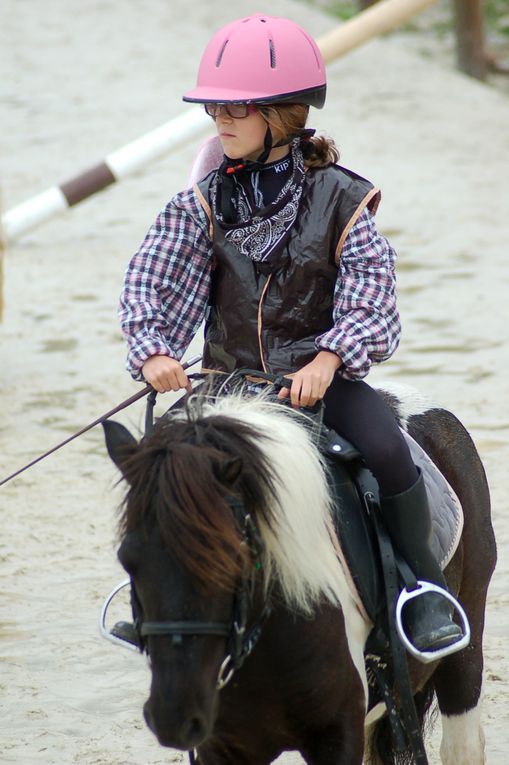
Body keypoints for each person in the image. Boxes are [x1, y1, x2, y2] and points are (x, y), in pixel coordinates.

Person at [119, 14, 465, 657]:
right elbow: (149, 281)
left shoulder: (344, 200)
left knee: (388, 452)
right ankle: (156, 600)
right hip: (226, 384)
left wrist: (330, 358)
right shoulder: (198, 202)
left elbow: (373, 295)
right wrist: (155, 351)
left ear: (281, 114)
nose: (219, 119)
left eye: (235, 107)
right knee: (161, 467)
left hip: (322, 383)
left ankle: (425, 589)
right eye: (214, 107)